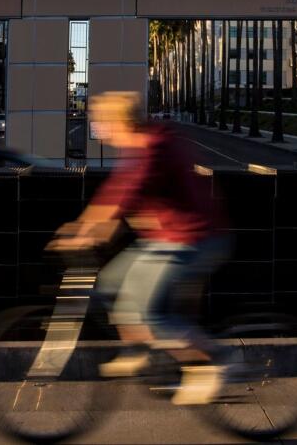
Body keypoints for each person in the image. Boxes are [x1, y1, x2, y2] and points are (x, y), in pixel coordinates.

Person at [49, 91, 231, 405]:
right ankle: (137, 351)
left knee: (151, 314)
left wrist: (86, 233)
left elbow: (124, 197)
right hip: (165, 239)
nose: (98, 128)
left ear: (118, 122)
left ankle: (209, 364)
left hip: (195, 238)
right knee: (110, 284)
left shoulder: (151, 148)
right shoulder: (138, 145)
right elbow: (113, 193)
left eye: (101, 122)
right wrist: (82, 226)